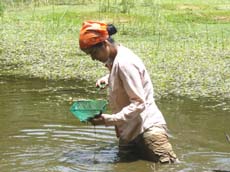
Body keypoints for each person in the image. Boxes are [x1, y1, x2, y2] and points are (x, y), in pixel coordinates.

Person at [79, 20, 177, 163]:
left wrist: (108, 120)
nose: (93, 58)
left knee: (168, 166)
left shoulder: (125, 63)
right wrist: (110, 78)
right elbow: (128, 77)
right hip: (128, 131)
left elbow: (139, 103)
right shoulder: (116, 58)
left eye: (93, 52)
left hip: (147, 130)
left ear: (105, 44)